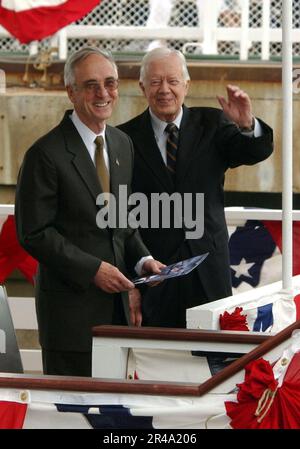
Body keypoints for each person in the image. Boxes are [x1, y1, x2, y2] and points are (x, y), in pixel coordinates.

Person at [15, 47, 163, 377]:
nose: (103, 93)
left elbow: (122, 221)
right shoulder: (45, 154)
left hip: (119, 315)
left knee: (116, 417)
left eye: (110, 83)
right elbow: (33, 233)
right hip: (69, 321)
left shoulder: (122, 143)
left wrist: (142, 260)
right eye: (91, 85)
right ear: (71, 91)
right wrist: (94, 269)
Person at [118, 47, 273, 328]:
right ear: (142, 87)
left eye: (173, 81)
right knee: (156, 361)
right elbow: (119, 217)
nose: (164, 89)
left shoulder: (213, 124)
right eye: (155, 82)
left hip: (208, 270)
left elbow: (255, 152)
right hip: (154, 275)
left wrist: (248, 124)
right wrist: (130, 283)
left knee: (212, 362)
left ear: (186, 85)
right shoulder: (124, 138)